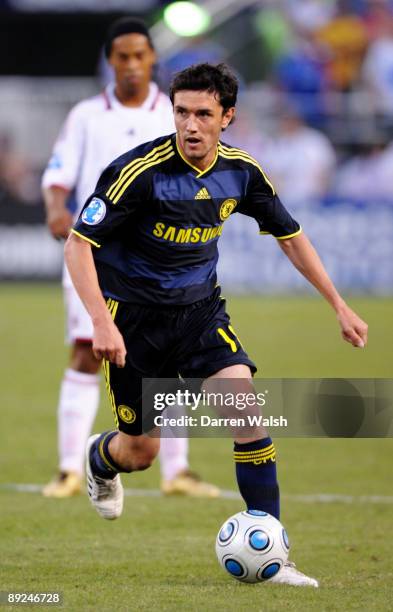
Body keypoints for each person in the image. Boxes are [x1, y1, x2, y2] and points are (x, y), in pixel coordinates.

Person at [65, 63, 368, 587]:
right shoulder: (137, 172)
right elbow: (78, 245)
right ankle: (100, 457)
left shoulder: (242, 172)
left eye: (204, 114)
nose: (191, 125)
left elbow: (291, 236)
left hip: (200, 313)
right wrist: (100, 323)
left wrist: (338, 304)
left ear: (227, 116)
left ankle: (272, 553)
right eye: (182, 112)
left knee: (246, 409)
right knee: (141, 451)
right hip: (133, 321)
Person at [41, 17, 218, 499]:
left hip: (160, 260)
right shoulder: (85, 116)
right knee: (83, 350)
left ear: (153, 59)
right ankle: (69, 469)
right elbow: (59, 173)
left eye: (142, 55)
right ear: (111, 61)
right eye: (124, 57)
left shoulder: (177, 112)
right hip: (94, 253)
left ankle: (176, 472)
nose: (134, 65)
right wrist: (57, 209)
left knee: (171, 361)